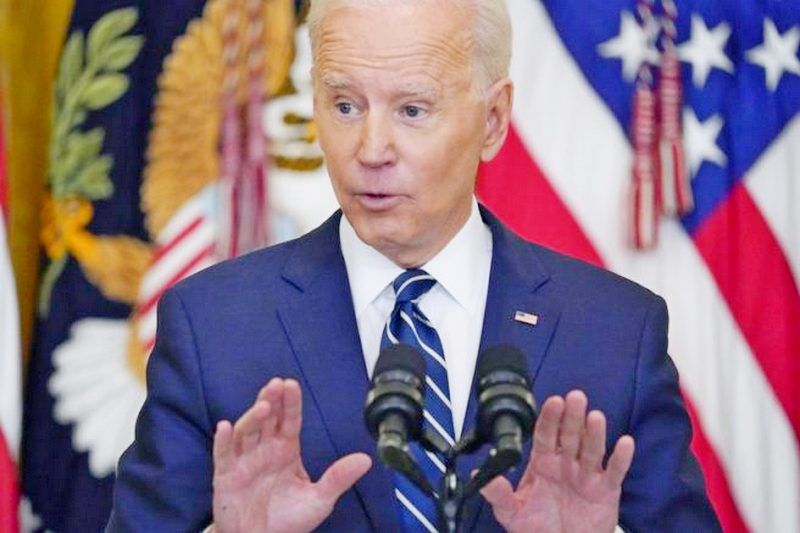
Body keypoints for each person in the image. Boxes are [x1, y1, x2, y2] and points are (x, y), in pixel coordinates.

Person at [107, 0, 720, 531]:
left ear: (494, 119)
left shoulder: (614, 332)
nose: (370, 151)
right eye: (345, 106)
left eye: (412, 110)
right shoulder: (213, 326)